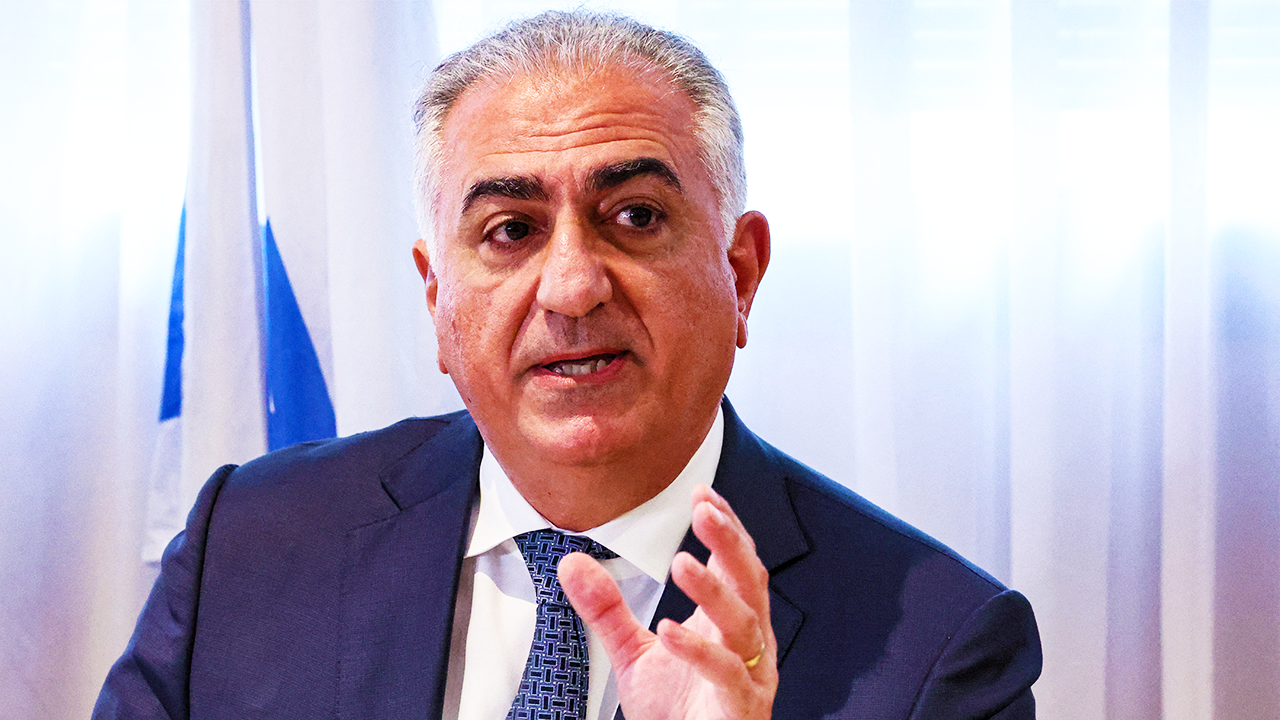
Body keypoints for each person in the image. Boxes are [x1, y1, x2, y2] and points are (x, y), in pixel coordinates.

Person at [94, 10, 1041, 720]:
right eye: (510, 230)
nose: (574, 286)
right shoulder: (250, 543)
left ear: (742, 273)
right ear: (436, 299)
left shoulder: (941, 652)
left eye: (636, 216)